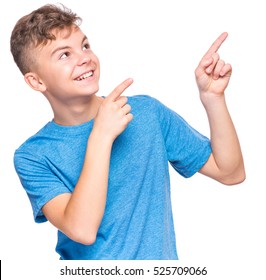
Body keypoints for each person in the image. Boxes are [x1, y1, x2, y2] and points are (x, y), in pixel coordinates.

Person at [10, 3, 245, 260]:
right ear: (37, 81)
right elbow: (82, 229)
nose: (85, 57)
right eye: (64, 54)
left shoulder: (146, 113)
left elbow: (230, 172)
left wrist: (213, 98)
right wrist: (101, 135)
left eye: (85, 45)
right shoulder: (33, 155)